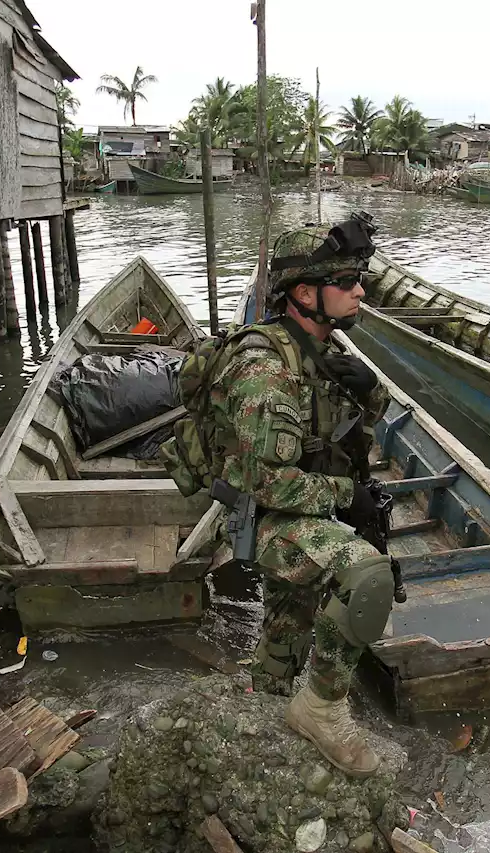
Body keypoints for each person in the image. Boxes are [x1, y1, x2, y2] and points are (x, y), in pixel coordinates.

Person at [161, 216, 394, 777]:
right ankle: (321, 709)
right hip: (261, 518)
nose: (360, 290)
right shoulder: (265, 370)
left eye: (359, 278)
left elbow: (343, 433)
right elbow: (260, 481)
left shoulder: (318, 353)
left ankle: (270, 694)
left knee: (289, 627)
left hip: (297, 512)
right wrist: (347, 496)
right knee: (366, 575)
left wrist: (371, 392)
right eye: (347, 281)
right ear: (305, 294)